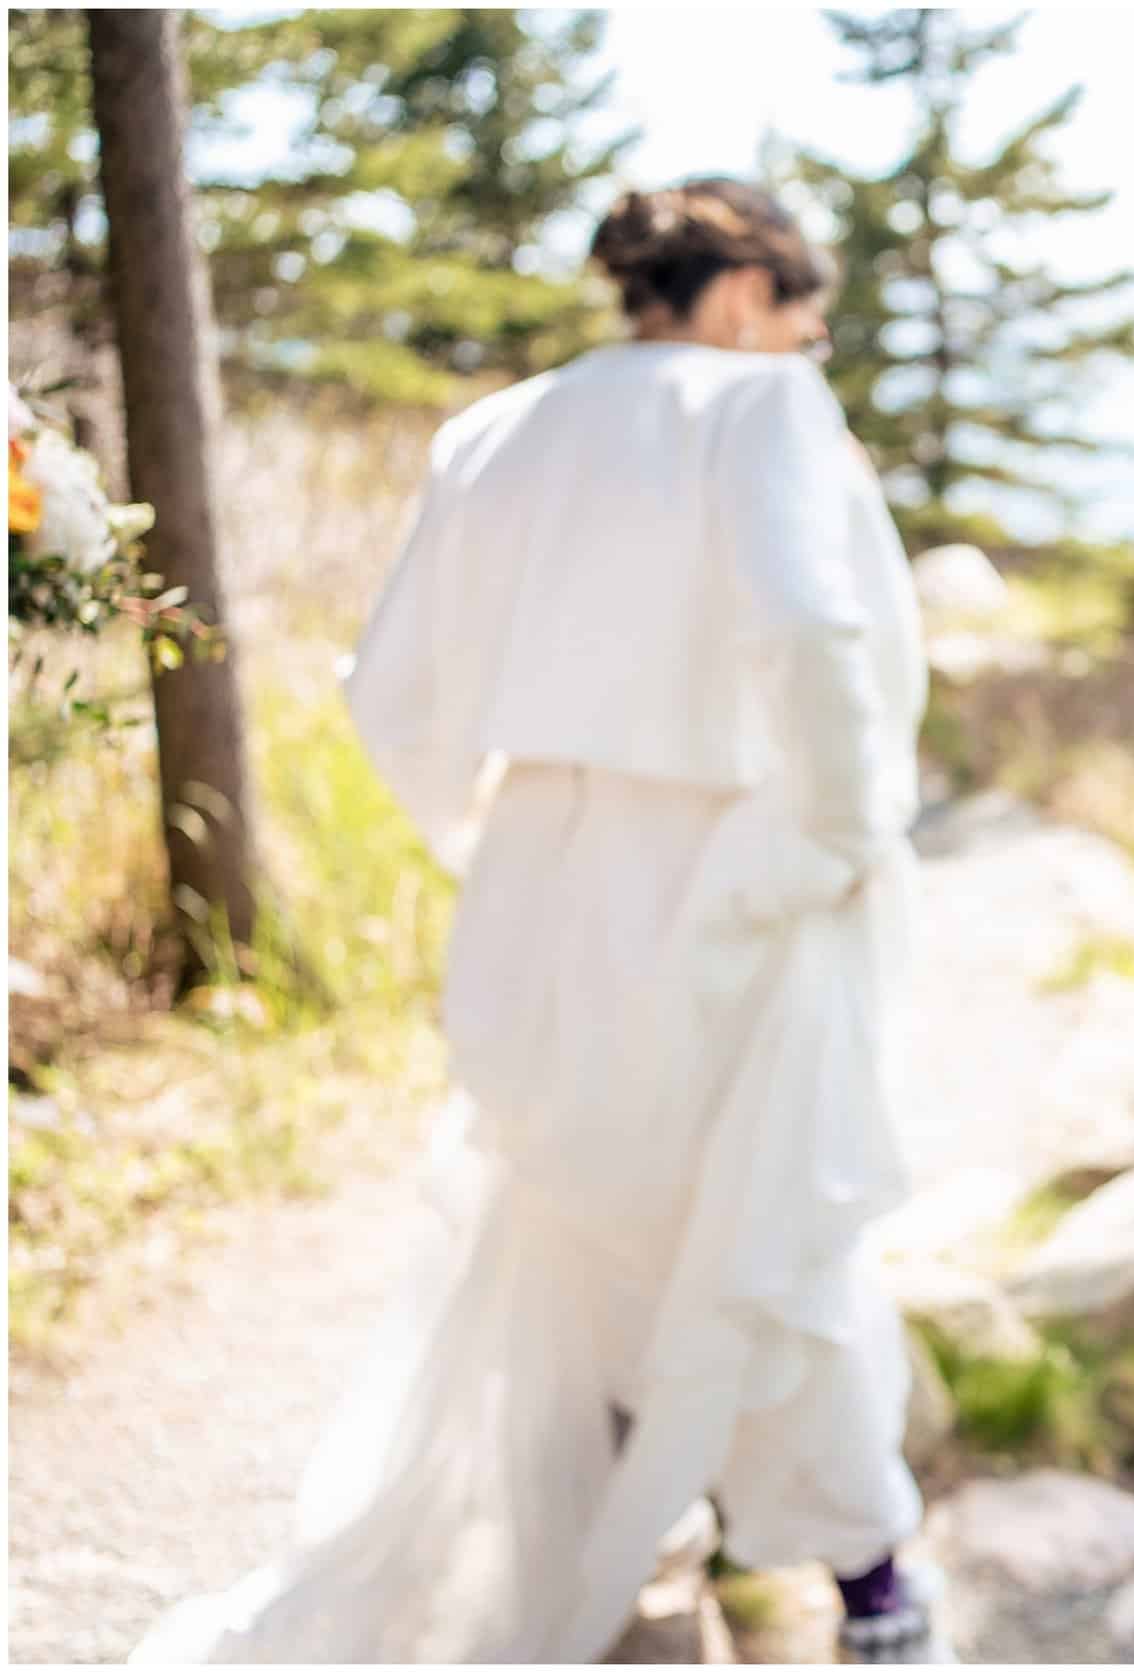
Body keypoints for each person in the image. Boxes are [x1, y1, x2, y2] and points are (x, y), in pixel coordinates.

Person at [132, 180, 947, 1663]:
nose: (806, 350)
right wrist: (831, 834)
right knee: (760, 1212)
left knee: (587, 1205)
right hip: (729, 867)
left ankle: (637, 1498)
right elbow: (815, 630)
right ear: (748, 289)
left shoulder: (494, 431)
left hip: (538, 871)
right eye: (807, 320)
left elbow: (393, 692)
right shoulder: (756, 410)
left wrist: (487, 835)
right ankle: (870, 1583)